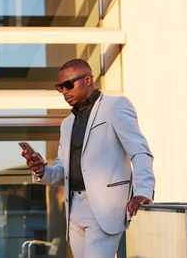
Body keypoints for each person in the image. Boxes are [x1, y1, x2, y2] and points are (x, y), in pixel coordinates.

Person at [21, 59, 155, 258]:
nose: (64, 91)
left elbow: (139, 151)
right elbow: (62, 172)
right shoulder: (67, 124)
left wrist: (144, 191)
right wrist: (41, 170)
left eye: (69, 84)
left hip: (105, 207)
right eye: (60, 87)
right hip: (74, 209)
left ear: (88, 79)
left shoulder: (115, 106)